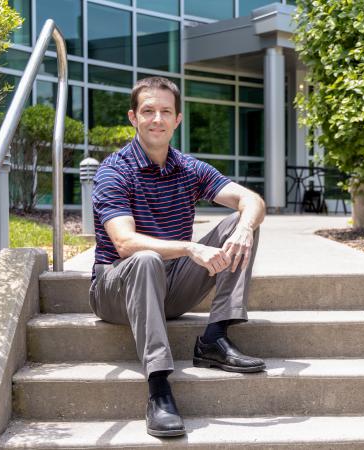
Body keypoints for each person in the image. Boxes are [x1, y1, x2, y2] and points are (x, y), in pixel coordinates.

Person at [89, 76, 266, 438]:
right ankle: (158, 388)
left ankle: (215, 338)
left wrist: (245, 227)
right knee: (146, 259)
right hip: (115, 289)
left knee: (242, 222)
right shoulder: (114, 171)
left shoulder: (188, 168)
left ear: (177, 119)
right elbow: (124, 243)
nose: (157, 119)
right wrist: (189, 248)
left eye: (165, 111)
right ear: (133, 118)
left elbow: (252, 200)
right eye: (148, 111)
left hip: (170, 288)